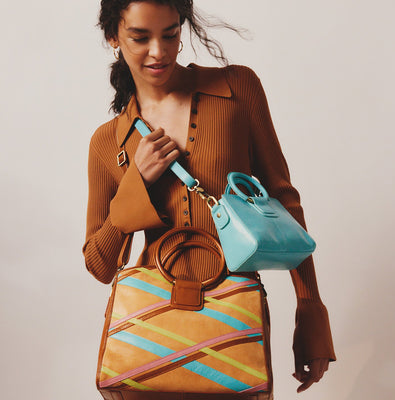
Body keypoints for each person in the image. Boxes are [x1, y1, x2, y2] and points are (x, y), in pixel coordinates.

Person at [83, 0, 336, 398]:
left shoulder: (236, 89)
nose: (158, 51)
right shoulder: (107, 142)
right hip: (149, 342)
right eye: (140, 37)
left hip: (234, 328)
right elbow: (99, 263)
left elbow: (283, 199)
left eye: (170, 35)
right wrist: (136, 181)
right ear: (113, 36)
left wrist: (310, 311)